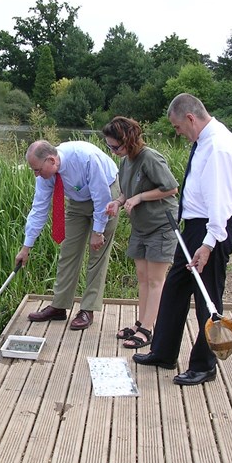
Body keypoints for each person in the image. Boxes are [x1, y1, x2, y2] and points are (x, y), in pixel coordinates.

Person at [133, 93, 232, 386]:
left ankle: (204, 365)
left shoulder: (219, 147)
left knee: (206, 297)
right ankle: (164, 352)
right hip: (195, 228)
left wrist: (208, 244)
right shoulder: (204, 142)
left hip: (212, 230)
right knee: (174, 288)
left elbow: (220, 202)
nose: (178, 132)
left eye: (178, 127)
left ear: (190, 118)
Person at [16, 139, 120, 330]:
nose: (36, 174)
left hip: (107, 194)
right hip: (77, 200)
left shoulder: (86, 158)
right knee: (68, 252)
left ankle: (88, 309)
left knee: (97, 253)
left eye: (37, 170)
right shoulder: (46, 176)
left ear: (51, 160)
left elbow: (101, 196)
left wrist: (98, 231)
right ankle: (59, 306)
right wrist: (26, 248)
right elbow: (39, 208)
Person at [102, 116, 179, 349]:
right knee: (143, 278)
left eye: (115, 146)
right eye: (108, 146)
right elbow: (126, 192)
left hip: (161, 225)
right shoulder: (126, 161)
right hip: (141, 226)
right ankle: (140, 323)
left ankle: (148, 329)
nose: (113, 150)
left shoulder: (150, 158)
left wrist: (140, 197)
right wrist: (117, 202)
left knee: (156, 280)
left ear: (129, 139)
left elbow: (171, 188)